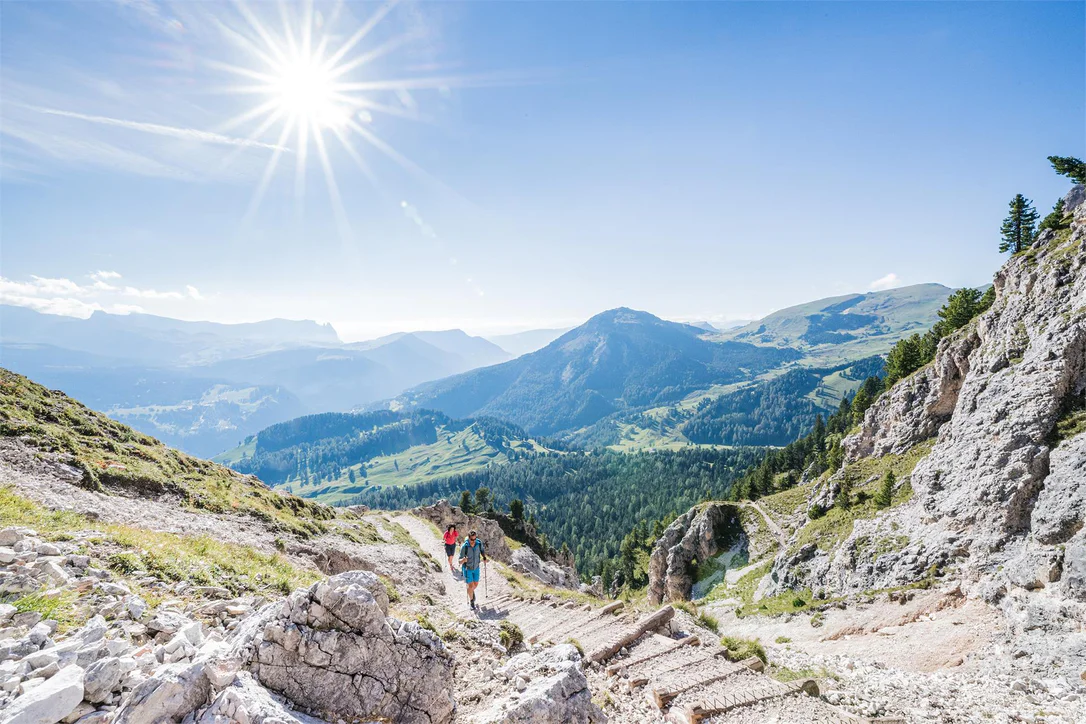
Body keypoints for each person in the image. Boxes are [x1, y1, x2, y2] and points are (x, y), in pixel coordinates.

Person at [458, 529, 488, 610]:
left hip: (476, 567)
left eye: (475, 539)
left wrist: (484, 557)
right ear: (468, 538)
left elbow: (482, 551)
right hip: (468, 569)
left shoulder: (478, 543)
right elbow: (459, 561)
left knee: (475, 584)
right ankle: (472, 602)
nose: (473, 541)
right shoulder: (465, 546)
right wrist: (463, 560)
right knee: (470, 586)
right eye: (472, 539)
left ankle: (471, 591)